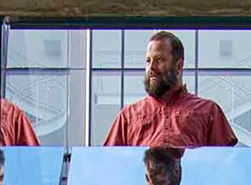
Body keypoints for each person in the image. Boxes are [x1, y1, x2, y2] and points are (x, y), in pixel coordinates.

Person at [102, 31, 238, 148]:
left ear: (179, 66)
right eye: (148, 61)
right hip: (141, 179)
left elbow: (225, 164)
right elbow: (109, 162)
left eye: (159, 60)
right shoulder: (128, 116)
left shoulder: (208, 111)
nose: (151, 68)